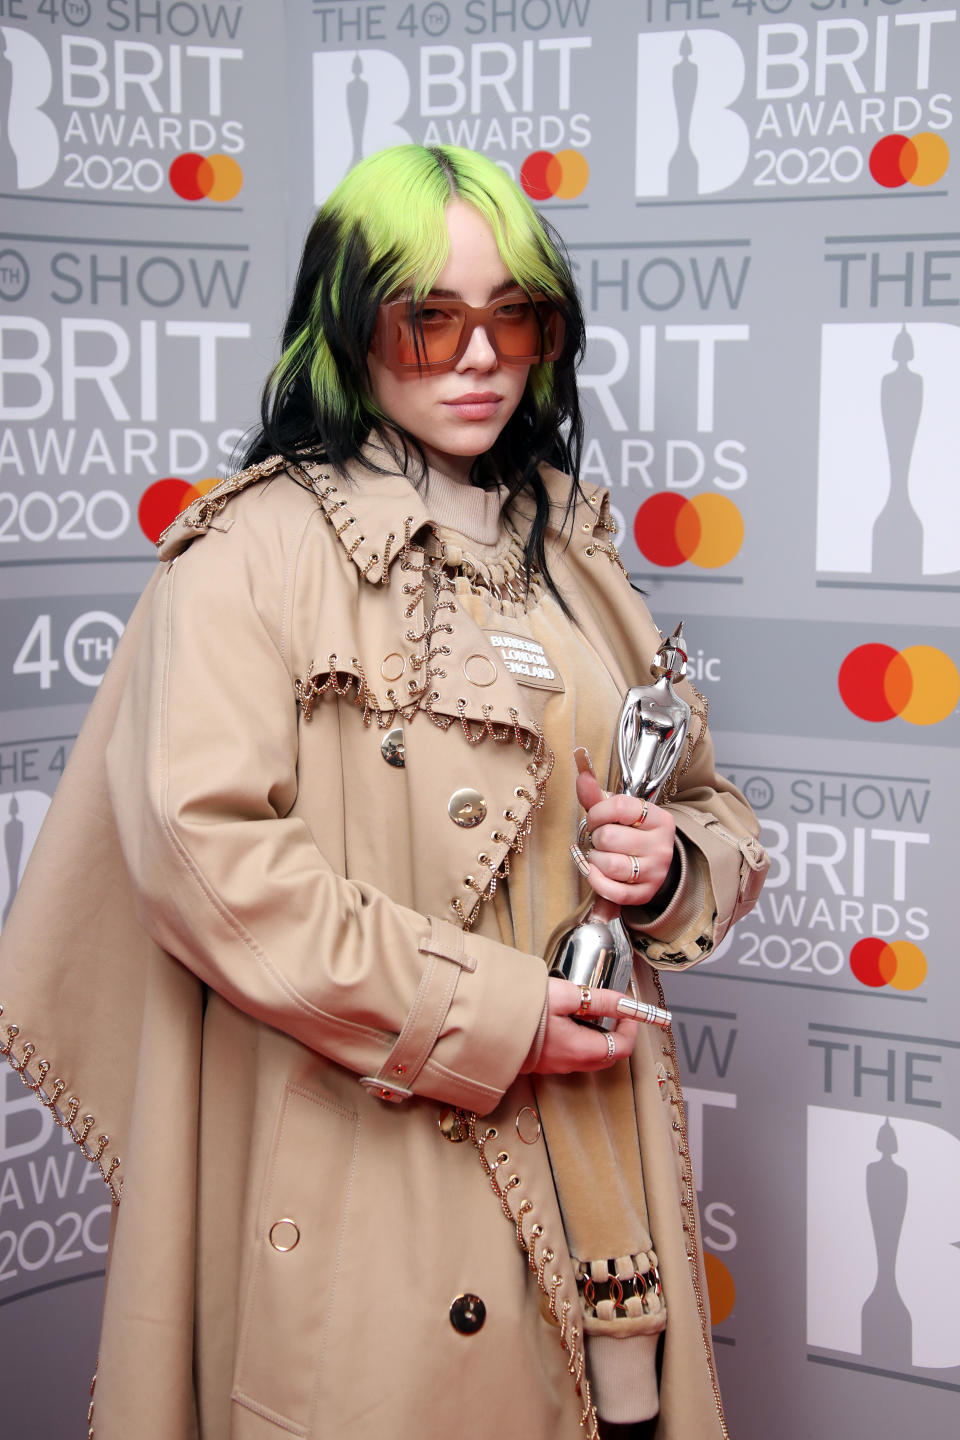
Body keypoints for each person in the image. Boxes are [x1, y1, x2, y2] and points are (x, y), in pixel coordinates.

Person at [0, 145, 767, 1440]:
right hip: (383, 1202)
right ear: (348, 328)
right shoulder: (249, 555)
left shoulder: (572, 545)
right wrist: (497, 1015)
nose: (479, 356)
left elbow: (707, 800)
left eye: (513, 314)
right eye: (430, 317)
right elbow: (211, 869)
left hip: (605, 1197)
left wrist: (672, 860)